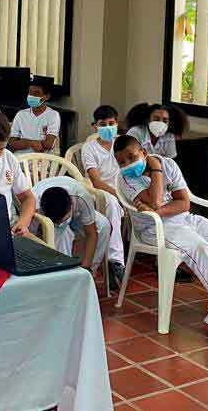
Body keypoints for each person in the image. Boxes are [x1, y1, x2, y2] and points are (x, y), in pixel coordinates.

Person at [115, 134, 208, 343]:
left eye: (131, 157)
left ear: (144, 152)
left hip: (184, 219)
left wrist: (158, 208)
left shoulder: (168, 164)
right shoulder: (126, 178)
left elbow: (183, 203)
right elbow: (156, 200)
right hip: (155, 229)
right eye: (121, 162)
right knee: (201, 248)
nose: (127, 165)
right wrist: (156, 171)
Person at [80, 105, 127, 285]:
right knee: (112, 203)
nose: (108, 127)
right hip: (98, 193)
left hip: (122, 191)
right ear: (95, 126)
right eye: (103, 124)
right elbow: (97, 182)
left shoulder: (123, 143)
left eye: (111, 123)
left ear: (117, 124)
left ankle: (118, 262)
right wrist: (119, 196)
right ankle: (116, 261)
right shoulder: (89, 148)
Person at [31, 177, 109, 275]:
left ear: (72, 205)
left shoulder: (81, 196)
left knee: (103, 225)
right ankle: (61, 273)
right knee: (60, 233)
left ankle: (88, 273)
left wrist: (86, 266)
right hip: (49, 218)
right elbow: (31, 239)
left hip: (76, 213)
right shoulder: (34, 203)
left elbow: (91, 233)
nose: (59, 223)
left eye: (63, 219)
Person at [9, 80, 60, 154]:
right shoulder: (21, 115)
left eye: (36, 93)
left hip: (43, 159)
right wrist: (31, 143)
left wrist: (23, 142)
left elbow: (49, 144)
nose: (32, 96)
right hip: (21, 158)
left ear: (47, 96)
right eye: (30, 92)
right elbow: (12, 143)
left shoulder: (53, 115)